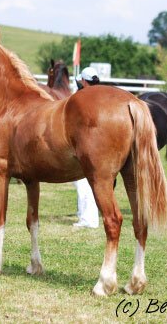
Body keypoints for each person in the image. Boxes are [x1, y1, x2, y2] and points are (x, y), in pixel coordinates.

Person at [72, 67, 100, 228]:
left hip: (86, 143)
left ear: (83, 81)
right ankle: (87, 216)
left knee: (83, 182)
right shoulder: (102, 95)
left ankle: (87, 219)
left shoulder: (82, 97)